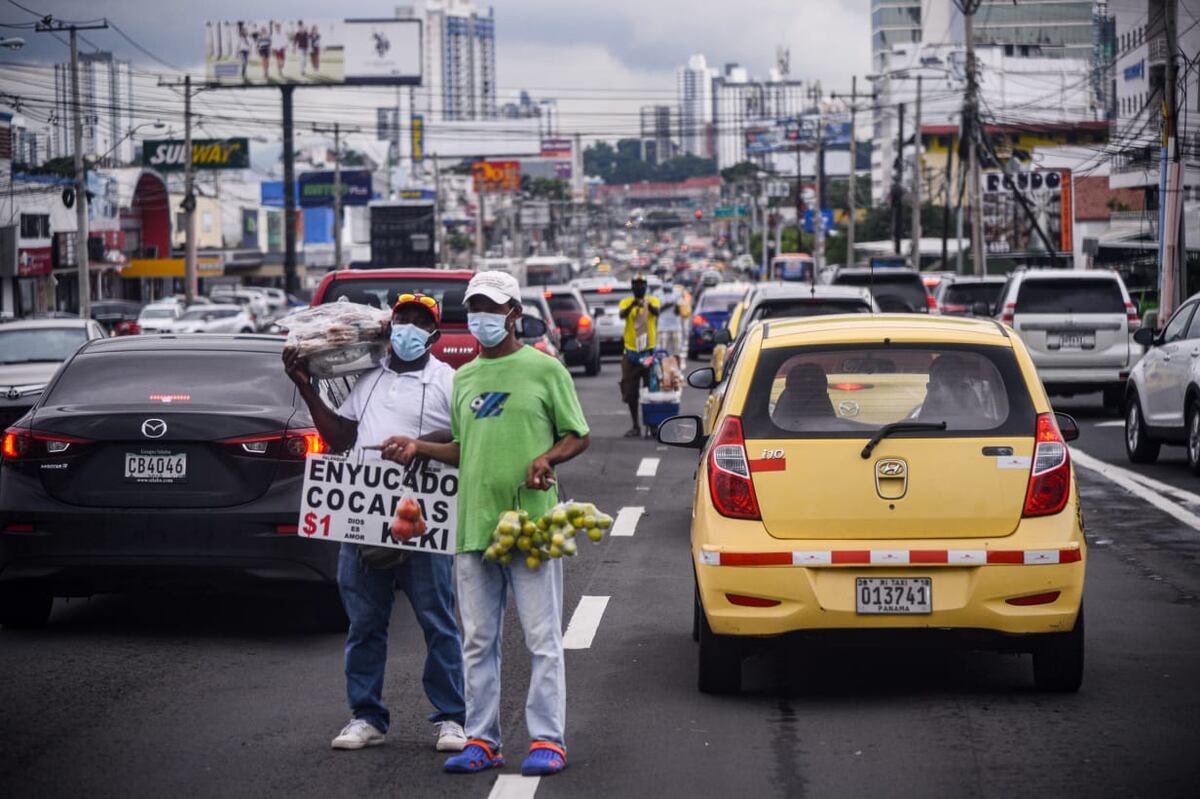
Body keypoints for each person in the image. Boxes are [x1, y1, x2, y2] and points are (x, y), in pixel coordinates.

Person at [380, 271, 590, 778]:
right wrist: (418, 446)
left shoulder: (544, 369)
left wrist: (547, 458)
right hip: (473, 525)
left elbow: (577, 434)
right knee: (477, 640)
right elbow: (462, 446)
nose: (481, 317)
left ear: (514, 314)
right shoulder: (466, 377)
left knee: (541, 639)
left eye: (492, 308)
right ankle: (482, 739)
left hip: (531, 527)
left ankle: (547, 740)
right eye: (474, 307)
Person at [282, 293, 467, 755]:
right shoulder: (368, 380)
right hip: (363, 516)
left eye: (419, 322)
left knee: (437, 621)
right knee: (365, 623)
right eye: (402, 318)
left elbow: (467, 439)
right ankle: (366, 715)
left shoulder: (449, 381)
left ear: (434, 335)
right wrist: (305, 386)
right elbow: (340, 437)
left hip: (423, 518)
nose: (408, 327)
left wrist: (420, 443)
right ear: (389, 327)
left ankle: (451, 717)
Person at [617, 273, 660, 438]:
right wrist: (633, 305)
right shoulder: (626, 303)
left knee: (651, 391)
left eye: (642, 285)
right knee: (630, 391)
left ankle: (652, 426)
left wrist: (646, 304)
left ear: (646, 287)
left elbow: (656, 313)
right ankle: (635, 425)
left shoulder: (653, 301)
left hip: (648, 352)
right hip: (631, 353)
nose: (639, 288)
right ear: (632, 287)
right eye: (636, 285)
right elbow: (622, 315)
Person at [653, 273, 685, 363]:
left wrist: (678, 306)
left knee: (677, 352)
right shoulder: (656, 294)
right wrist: (670, 303)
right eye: (666, 281)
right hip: (662, 327)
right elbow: (657, 310)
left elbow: (679, 312)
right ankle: (662, 371)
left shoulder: (677, 294)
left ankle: (677, 371)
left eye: (670, 281)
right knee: (661, 352)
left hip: (675, 326)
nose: (668, 283)